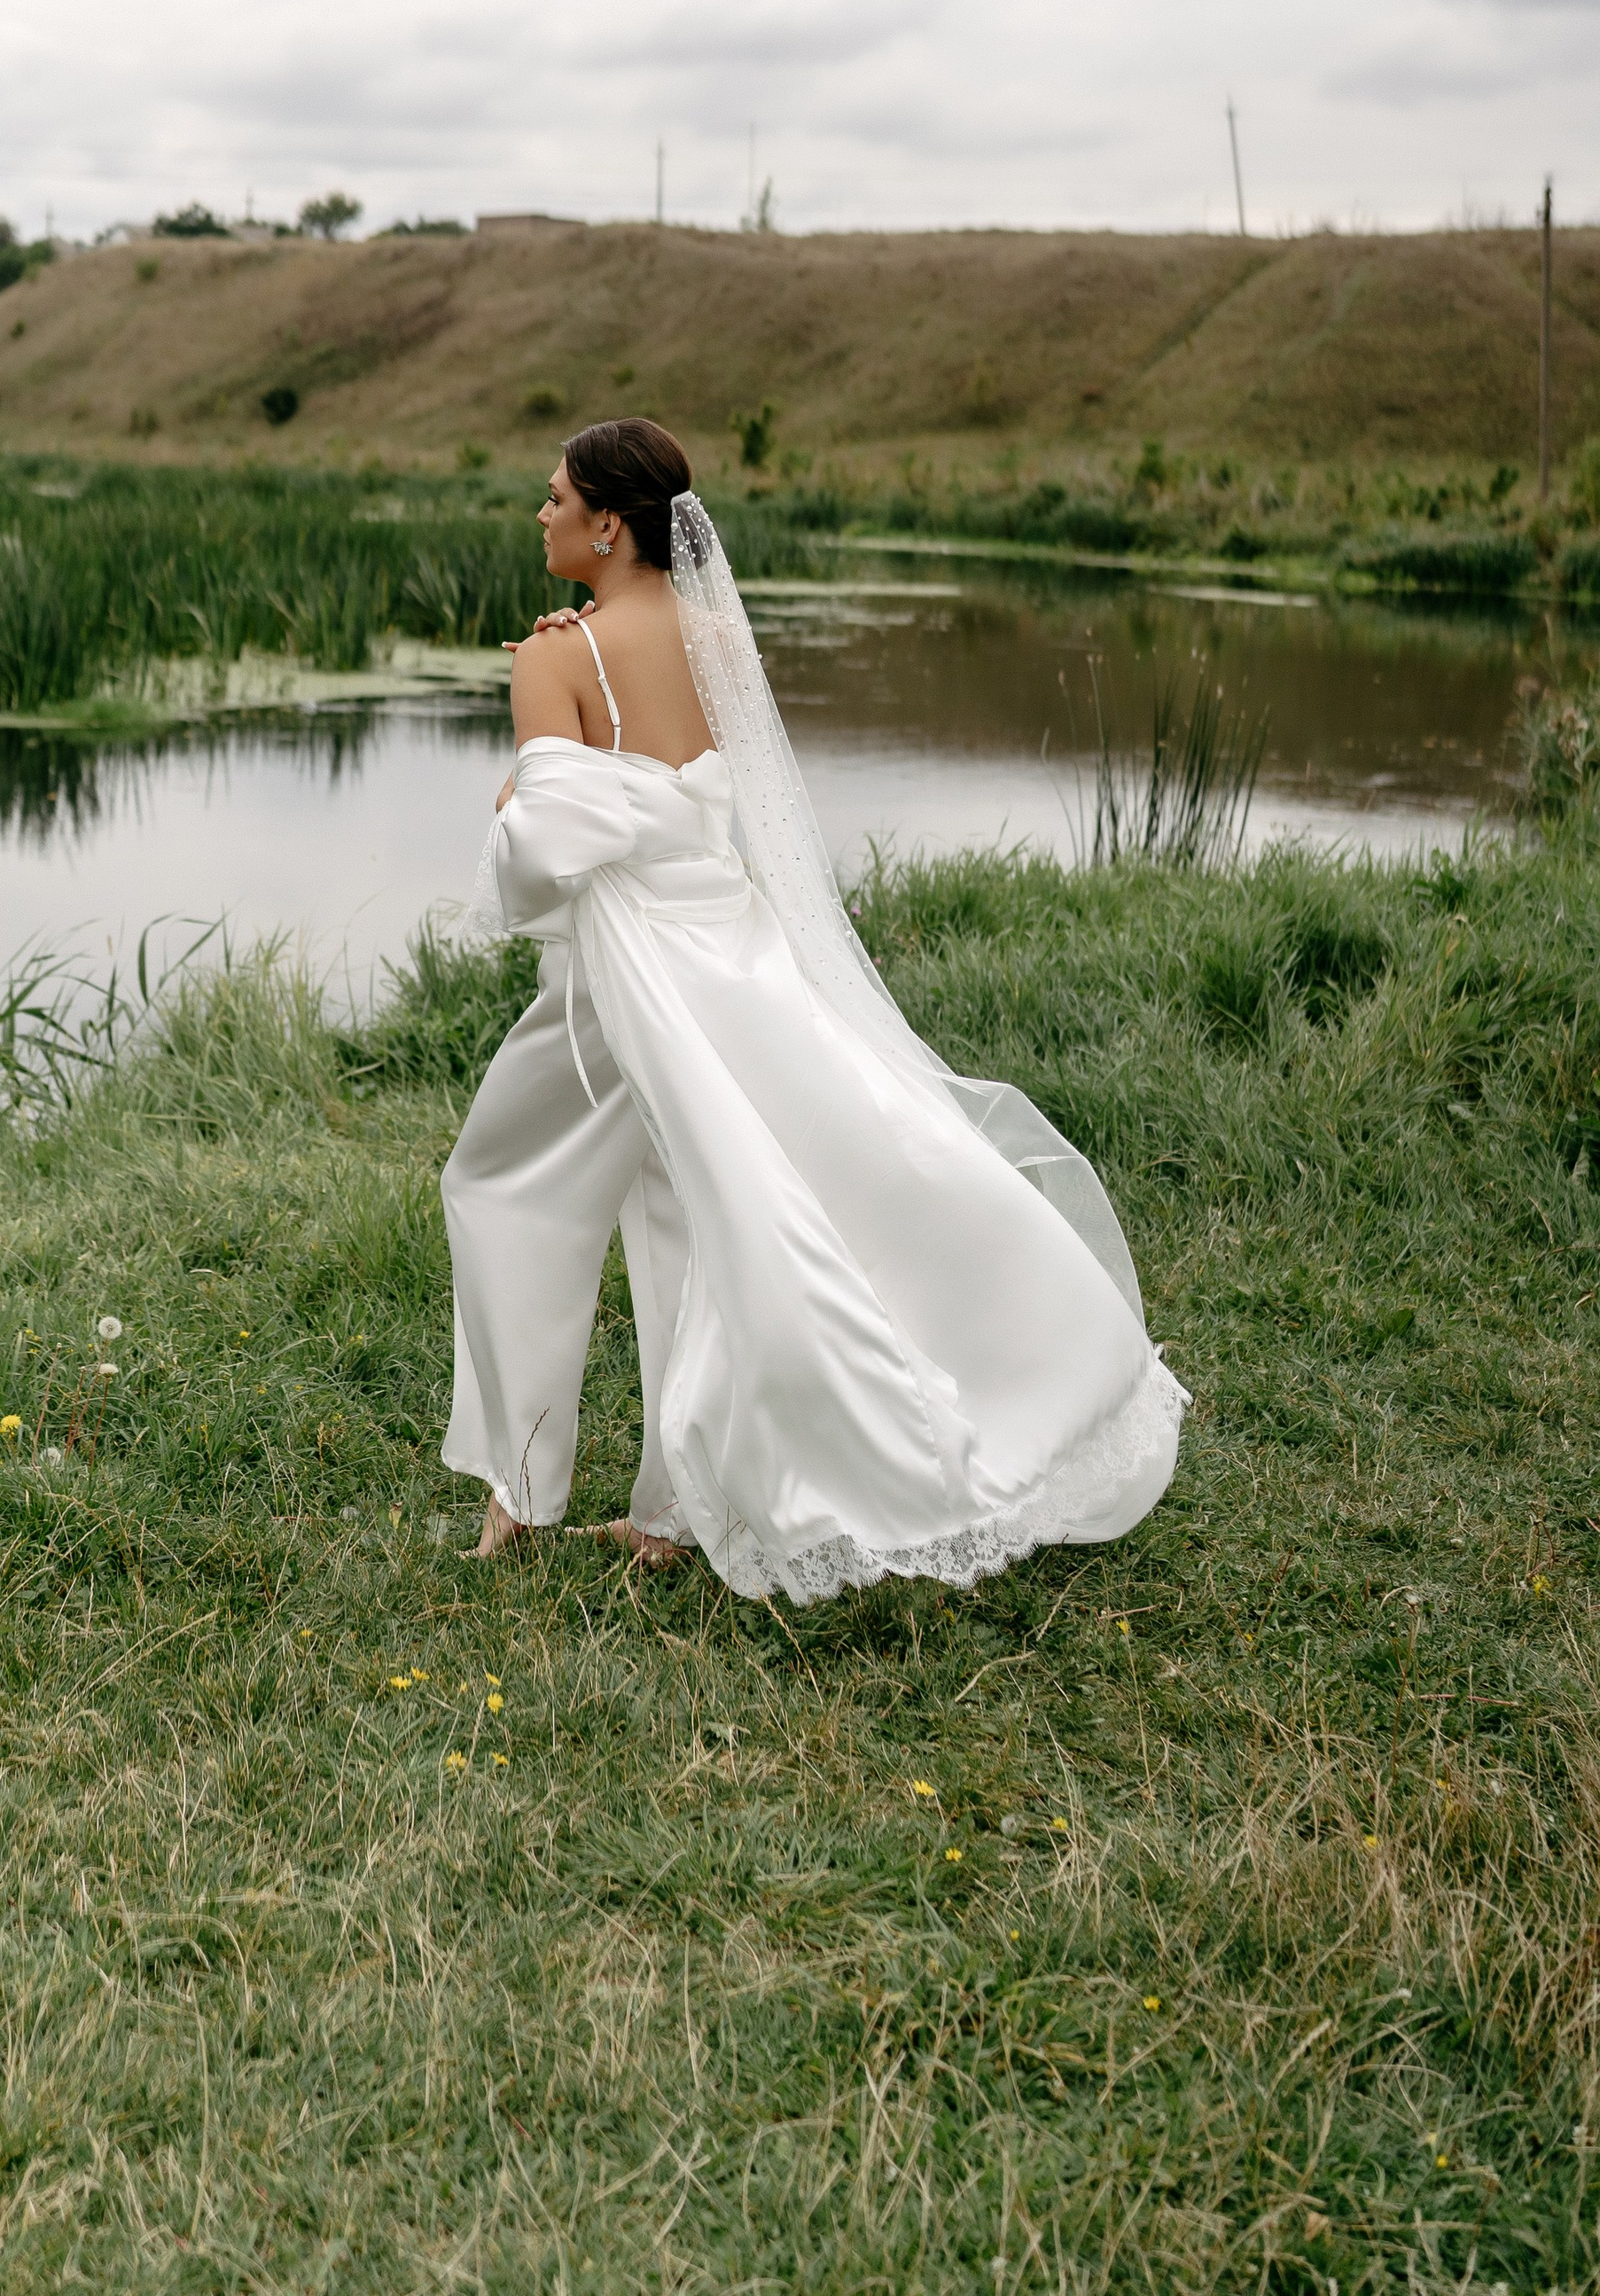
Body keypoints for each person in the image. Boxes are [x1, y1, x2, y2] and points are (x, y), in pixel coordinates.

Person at [440, 416, 1183, 1598]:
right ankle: (671, 1511)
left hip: (627, 974)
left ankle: (520, 1497)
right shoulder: (720, 629)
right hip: (733, 951)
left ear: (608, 526)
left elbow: (545, 855)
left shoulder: (554, 656)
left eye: (554, 498)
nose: (540, 515)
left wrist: (518, 788)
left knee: (500, 1186)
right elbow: (732, 793)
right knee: (705, 1201)